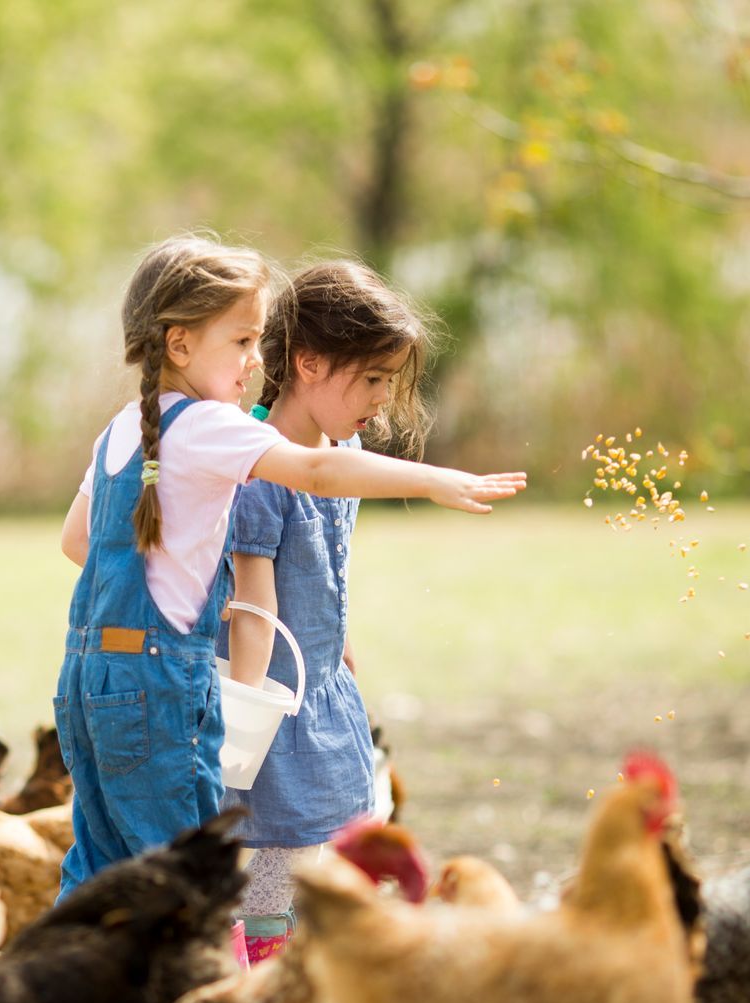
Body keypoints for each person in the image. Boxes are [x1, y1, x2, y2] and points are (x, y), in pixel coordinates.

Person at [54, 235, 525, 900]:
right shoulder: (209, 425)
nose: (256, 357)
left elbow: (79, 542)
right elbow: (317, 469)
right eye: (242, 341)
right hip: (160, 687)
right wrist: (435, 480)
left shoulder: (124, 426)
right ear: (180, 345)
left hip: (90, 679)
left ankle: (55, 987)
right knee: (193, 884)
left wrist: (184, 586)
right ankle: (214, 989)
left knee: (98, 868)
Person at [219, 260, 432, 963]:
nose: (380, 399)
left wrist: (336, 642)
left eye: (386, 382)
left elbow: (327, 564)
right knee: (272, 866)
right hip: (274, 708)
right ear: (309, 363)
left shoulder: (347, 451)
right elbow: (253, 610)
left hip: (323, 690)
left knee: (334, 855)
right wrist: (238, 737)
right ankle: (261, 991)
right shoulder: (260, 474)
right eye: (370, 379)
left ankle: (319, 986)